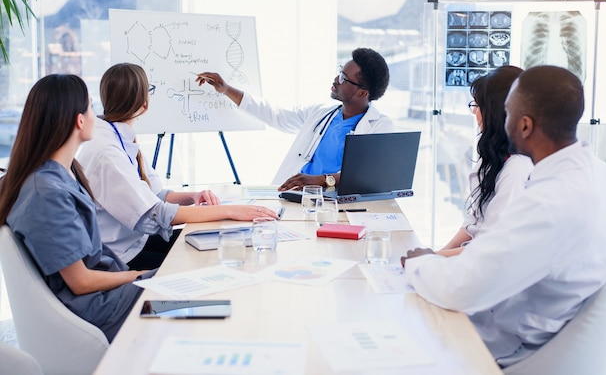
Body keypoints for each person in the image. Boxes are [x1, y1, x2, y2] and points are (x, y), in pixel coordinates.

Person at [401, 65, 606, 367]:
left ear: (524, 126)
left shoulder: (549, 203)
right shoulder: (600, 174)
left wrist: (419, 262)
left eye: (507, 113)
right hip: (540, 328)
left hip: (505, 345)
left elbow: (463, 288)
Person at [77, 63, 278, 270]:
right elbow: (156, 214)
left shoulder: (117, 135)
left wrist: (193, 196)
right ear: (144, 104)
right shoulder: (107, 151)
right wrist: (231, 211)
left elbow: (155, 194)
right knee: (200, 261)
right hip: (117, 256)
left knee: (204, 244)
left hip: (133, 242)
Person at [0, 74, 154, 342]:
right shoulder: (46, 192)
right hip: (101, 309)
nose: (97, 115)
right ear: (79, 120)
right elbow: (80, 281)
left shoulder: (61, 174)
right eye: (92, 107)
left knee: (203, 299)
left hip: (110, 298)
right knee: (200, 305)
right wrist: (139, 275)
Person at [195, 47, 394, 190]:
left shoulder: (380, 127)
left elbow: (369, 175)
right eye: (339, 71)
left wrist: (322, 180)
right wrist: (226, 89)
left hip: (336, 204)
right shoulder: (321, 113)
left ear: (362, 93)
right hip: (297, 196)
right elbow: (276, 115)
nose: (336, 80)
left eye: (343, 78)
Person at [438, 66, 533, 257]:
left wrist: (433, 258)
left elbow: (491, 247)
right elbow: (474, 224)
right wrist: (434, 255)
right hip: (474, 257)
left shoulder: (517, 169)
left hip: (490, 267)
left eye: (477, 105)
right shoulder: (495, 158)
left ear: (496, 111)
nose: (474, 113)